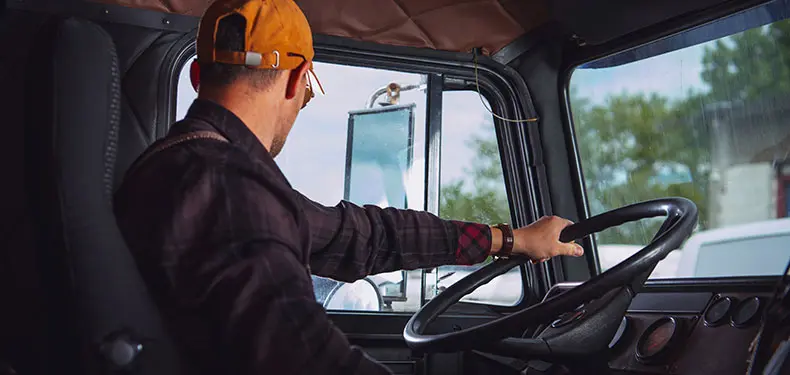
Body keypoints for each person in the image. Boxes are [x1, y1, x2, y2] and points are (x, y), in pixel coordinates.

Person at [113, 0, 584, 374]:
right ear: (297, 79)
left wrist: (512, 240)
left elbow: (362, 235)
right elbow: (304, 360)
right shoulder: (227, 189)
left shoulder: (196, 169)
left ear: (197, 76)